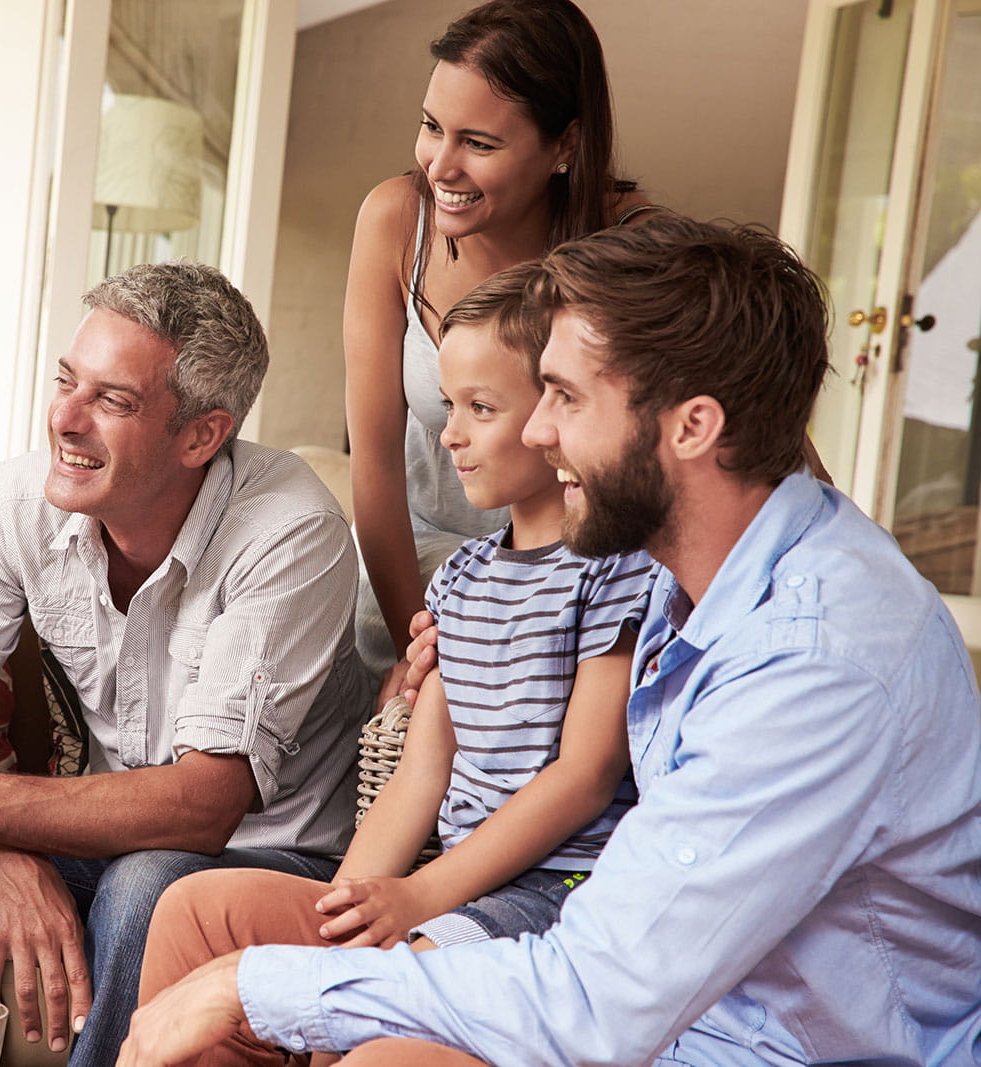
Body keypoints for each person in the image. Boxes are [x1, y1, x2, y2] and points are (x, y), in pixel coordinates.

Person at [118, 217, 981, 1067]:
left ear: (692, 427)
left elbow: (596, 998)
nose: (536, 431)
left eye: (565, 397)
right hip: (653, 995)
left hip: (728, 1038)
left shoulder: (811, 663)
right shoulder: (707, 583)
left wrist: (264, 987)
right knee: (204, 924)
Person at [0, 261, 369, 1066]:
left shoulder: (290, 532)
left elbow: (204, 806)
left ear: (202, 434)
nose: (65, 417)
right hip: (102, 832)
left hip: (265, 852)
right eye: (67, 382)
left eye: (112, 400)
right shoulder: (25, 498)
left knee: (145, 885)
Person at [136, 264, 655, 1024]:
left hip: (554, 899)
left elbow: (583, 777)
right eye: (449, 404)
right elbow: (422, 774)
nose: (450, 432)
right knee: (193, 909)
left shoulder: (615, 572)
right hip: (450, 888)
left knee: (343, 1007)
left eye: (481, 406)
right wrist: (346, 910)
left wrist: (419, 894)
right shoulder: (460, 583)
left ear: (558, 410)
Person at [347, 0, 652, 692]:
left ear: (565, 146)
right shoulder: (396, 221)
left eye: (478, 144)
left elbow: (734, 406)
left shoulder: (629, 241)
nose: (440, 165)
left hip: (574, 582)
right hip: (418, 578)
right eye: (432, 128)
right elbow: (374, 469)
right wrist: (415, 651)